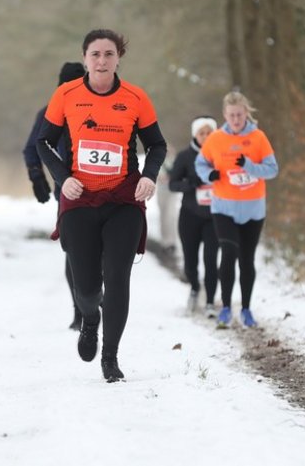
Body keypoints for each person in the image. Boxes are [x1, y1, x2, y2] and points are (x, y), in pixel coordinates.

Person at [37, 29, 167, 382]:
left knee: (118, 277)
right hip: (80, 201)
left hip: (124, 200)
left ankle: (110, 358)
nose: (102, 60)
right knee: (88, 286)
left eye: (109, 54)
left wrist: (149, 176)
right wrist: (63, 178)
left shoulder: (135, 98)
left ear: (118, 58)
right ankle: (90, 319)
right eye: (95, 54)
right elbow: (43, 143)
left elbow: (157, 145)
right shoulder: (66, 94)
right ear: (85, 58)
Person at [195, 91, 278, 328]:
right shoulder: (216, 139)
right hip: (224, 207)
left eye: (239, 115)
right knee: (229, 254)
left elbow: (272, 170)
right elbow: (200, 163)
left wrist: (250, 166)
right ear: (225, 115)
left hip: (253, 209)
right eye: (231, 115)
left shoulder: (258, 138)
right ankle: (226, 309)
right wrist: (208, 174)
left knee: (246, 259)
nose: (236, 119)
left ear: (246, 113)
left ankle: (246, 310)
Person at [23, 62, 86, 330]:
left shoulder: (96, 107)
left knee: (99, 251)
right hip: (67, 192)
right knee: (74, 251)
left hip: (103, 188)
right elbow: (31, 149)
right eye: (66, 86)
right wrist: (37, 177)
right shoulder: (49, 112)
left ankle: (95, 299)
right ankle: (79, 310)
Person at [168, 116, 219, 317]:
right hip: (190, 215)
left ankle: (209, 301)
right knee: (190, 261)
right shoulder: (184, 157)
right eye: (202, 133)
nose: (206, 137)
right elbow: (173, 184)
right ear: (195, 135)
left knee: (211, 259)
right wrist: (191, 184)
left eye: (209, 132)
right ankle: (195, 287)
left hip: (214, 216)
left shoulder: (220, 155)